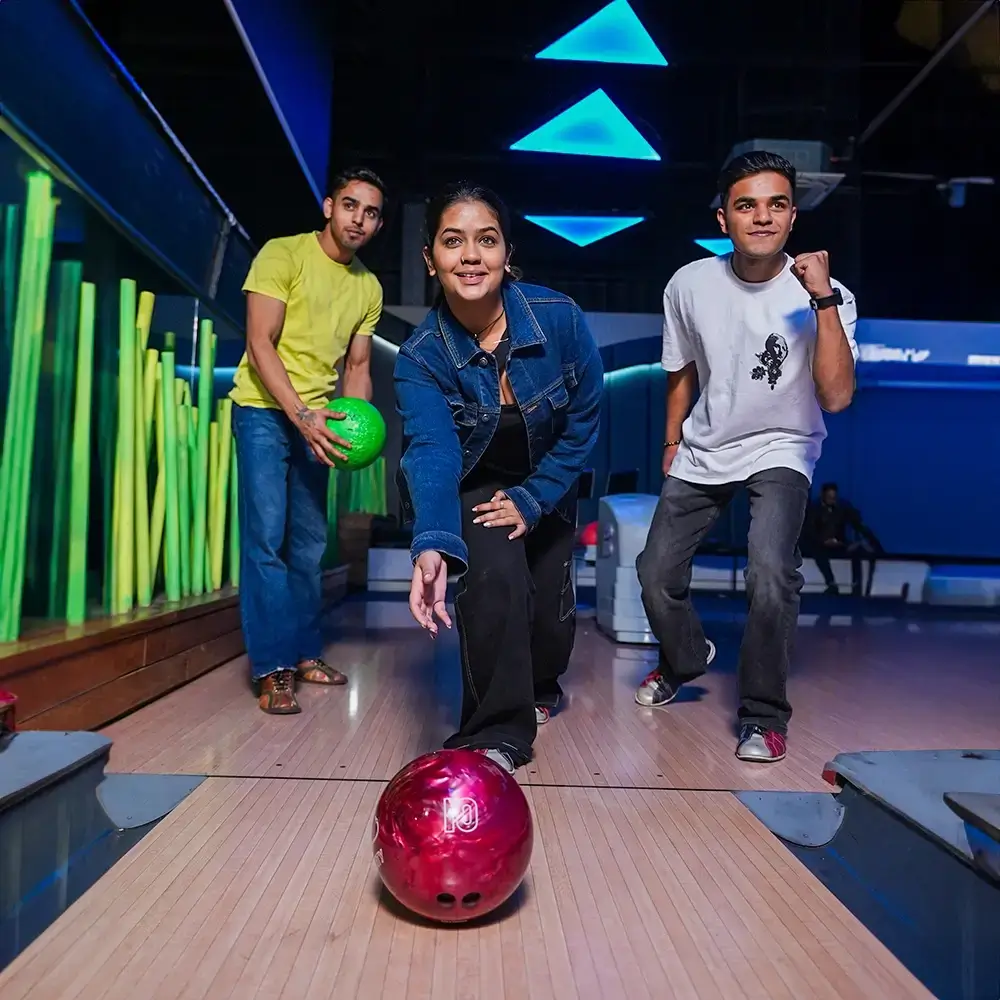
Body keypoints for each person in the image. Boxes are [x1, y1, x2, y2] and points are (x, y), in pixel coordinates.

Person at [635, 151, 858, 763]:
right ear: (723, 217)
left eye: (777, 204)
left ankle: (763, 716)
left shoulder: (828, 294)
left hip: (784, 445)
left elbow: (836, 397)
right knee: (654, 573)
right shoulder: (688, 284)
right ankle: (685, 657)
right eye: (747, 205)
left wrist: (823, 302)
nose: (762, 217)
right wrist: (672, 440)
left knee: (769, 572)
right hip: (706, 444)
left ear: (792, 217)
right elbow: (679, 370)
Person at [394, 182, 603, 774]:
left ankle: (537, 687)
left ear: (507, 254)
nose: (470, 256)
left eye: (486, 240)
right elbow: (432, 449)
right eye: (452, 241)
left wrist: (535, 498)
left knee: (549, 621)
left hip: (549, 477)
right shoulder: (421, 357)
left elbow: (584, 419)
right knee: (495, 581)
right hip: (477, 482)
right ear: (430, 257)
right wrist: (433, 541)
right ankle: (496, 734)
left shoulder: (559, 319)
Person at [230, 167, 386, 714]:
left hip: (318, 422)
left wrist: (353, 429)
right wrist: (301, 415)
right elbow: (259, 343)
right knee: (266, 539)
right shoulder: (283, 254)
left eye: (369, 212)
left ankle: (302, 653)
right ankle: (273, 668)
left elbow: (359, 367)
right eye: (350, 206)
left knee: (308, 545)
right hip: (265, 412)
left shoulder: (368, 286)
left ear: (378, 223)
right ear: (328, 207)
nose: (358, 219)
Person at [803, 482, 883, 595]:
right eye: (829, 497)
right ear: (823, 496)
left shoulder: (843, 507)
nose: (832, 500)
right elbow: (810, 530)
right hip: (819, 543)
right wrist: (823, 541)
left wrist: (874, 543)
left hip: (838, 543)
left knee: (856, 550)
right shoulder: (814, 509)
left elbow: (858, 525)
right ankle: (831, 583)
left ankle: (857, 586)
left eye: (834, 497)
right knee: (817, 552)